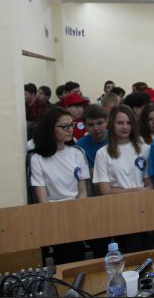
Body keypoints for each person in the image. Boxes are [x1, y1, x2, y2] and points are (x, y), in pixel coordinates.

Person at [30, 107, 91, 263]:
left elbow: (83, 191)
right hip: (54, 215)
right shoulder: (37, 158)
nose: (70, 130)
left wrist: (77, 212)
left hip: (77, 212)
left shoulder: (77, 152)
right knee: (65, 254)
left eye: (71, 125)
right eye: (64, 126)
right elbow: (42, 199)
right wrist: (59, 216)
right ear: (50, 129)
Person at [93, 105, 152, 195]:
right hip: (116, 202)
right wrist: (136, 191)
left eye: (129, 123)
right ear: (112, 124)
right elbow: (105, 191)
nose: (125, 127)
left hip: (142, 200)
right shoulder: (102, 153)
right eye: (120, 123)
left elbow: (150, 186)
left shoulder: (145, 149)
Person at [76, 104, 108, 170]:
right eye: (91, 125)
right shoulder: (80, 146)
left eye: (99, 123)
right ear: (85, 126)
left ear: (106, 122)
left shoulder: (118, 139)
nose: (96, 128)